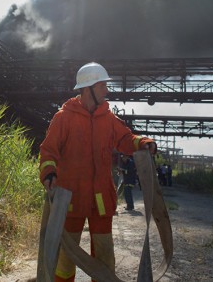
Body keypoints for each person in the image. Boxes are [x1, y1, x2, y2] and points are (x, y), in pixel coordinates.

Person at [39, 62, 156, 282]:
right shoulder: (64, 118)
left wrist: (142, 142)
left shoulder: (108, 118)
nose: (106, 90)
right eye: (102, 85)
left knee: (104, 256)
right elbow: (48, 151)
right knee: (66, 256)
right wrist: (49, 173)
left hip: (101, 199)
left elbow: (125, 139)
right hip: (70, 199)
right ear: (88, 88)